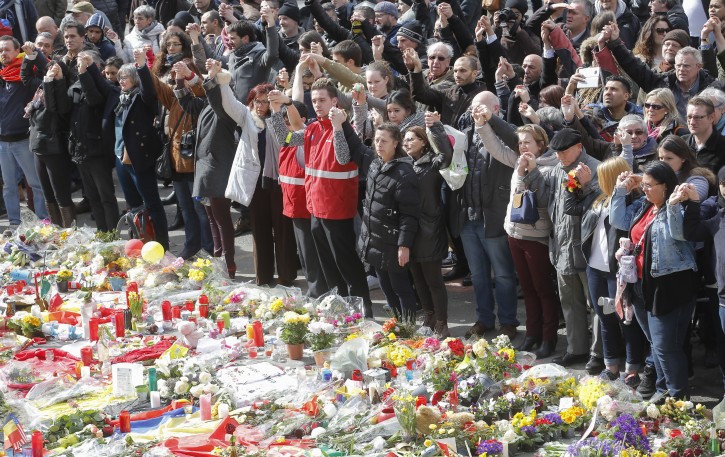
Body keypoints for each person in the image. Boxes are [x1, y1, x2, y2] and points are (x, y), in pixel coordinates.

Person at [268, 78, 373, 316]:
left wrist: (337, 127)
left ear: (334, 101)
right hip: (315, 209)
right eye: (314, 101)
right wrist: (277, 109)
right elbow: (284, 139)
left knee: (347, 265)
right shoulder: (313, 128)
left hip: (338, 210)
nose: (317, 105)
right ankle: (339, 310)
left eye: (322, 100)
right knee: (328, 267)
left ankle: (363, 311)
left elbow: (344, 157)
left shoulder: (345, 128)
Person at [476, 106, 561, 358]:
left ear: (541, 144)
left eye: (528, 142)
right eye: (520, 142)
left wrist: (530, 172)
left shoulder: (550, 166)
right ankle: (532, 334)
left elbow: (543, 201)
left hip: (536, 237)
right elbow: (495, 147)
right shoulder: (517, 162)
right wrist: (482, 125)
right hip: (514, 234)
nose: (523, 146)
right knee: (527, 287)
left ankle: (549, 338)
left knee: (543, 290)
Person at [610, 161, 697, 399]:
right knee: (655, 344)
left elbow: (678, 233)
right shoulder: (644, 206)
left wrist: (670, 204)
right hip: (639, 285)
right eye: (644, 185)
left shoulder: (678, 206)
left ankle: (678, 398)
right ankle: (662, 391)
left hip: (668, 286)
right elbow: (617, 220)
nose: (644, 189)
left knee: (666, 347)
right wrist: (620, 190)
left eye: (650, 185)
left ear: (666, 186)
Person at [522, 127, 601, 366]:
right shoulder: (556, 170)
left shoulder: (595, 168)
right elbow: (545, 201)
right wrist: (532, 174)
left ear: (579, 147)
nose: (560, 157)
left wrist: (585, 185)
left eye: (564, 152)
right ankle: (576, 348)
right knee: (569, 301)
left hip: (588, 249)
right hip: (562, 247)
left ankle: (599, 354)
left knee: (595, 304)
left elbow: (598, 207)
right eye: (556, 152)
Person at [569, 155, 647, 386]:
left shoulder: (635, 201)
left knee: (627, 320)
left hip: (618, 274)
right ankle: (611, 366)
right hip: (596, 269)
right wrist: (573, 183)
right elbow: (570, 205)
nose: (596, 179)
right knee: (605, 318)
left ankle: (632, 369)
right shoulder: (597, 198)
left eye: (601, 176)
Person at [344, 121, 420, 323]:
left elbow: (409, 215)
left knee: (401, 288)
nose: (379, 144)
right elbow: (355, 145)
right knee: (387, 289)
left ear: (396, 143)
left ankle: (409, 328)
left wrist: (404, 245)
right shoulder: (375, 164)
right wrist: (342, 123)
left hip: (393, 242)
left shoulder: (405, 173)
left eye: (384, 141)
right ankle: (397, 326)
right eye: (377, 140)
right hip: (374, 241)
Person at [175, 59, 237, 278]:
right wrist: (180, 80)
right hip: (205, 171)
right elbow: (188, 104)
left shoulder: (229, 108)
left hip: (218, 171)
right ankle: (218, 259)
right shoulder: (208, 106)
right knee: (212, 220)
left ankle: (228, 265)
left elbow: (214, 97)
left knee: (222, 220)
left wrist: (211, 76)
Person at [45, 52, 118, 232]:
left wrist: (86, 73)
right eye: (78, 64)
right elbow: (61, 109)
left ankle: (114, 236)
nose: (80, 67)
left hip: (97, 151)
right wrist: (60, 80)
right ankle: (103, 235)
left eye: (84, 64)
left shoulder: (105, 87)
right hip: (79, 151)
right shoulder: (75, 87)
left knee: (106, 196)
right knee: (93, 197)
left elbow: (94, 100)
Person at [114, 55, 170, 250]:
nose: (121, 81)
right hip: (121, 157)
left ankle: (162, 245)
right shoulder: (121, 97)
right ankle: (139, 242)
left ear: (135, 79)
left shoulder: (142, 97)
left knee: (152, 203)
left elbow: (148, 89)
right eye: (119, 77)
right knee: (134, 205)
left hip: (139, 158)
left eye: (125, 77)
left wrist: (141, 67)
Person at [403, 121, 452, 337]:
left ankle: (442, 322)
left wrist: (436, 129)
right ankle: (429, 316)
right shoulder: (403, 164)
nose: (406, 142)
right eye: (404, 139)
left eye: (411, 138)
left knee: (433, 280)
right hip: (410, 229)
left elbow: (447, 155)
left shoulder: (432, 163)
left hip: (430, 229)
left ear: (423, 142)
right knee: (417, 278)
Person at [21, 39, 74, 227]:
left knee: (61, 194)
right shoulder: (42, 87)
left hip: (54, 148)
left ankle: (69, 232)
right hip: (38, 146)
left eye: (55, 69)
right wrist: (30, 57)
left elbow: (53, 108)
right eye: (49, 69)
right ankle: (56, 230)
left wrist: (54, 81)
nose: (50, 72)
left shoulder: (63, 89)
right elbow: (26, 78)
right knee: (48, 195)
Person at [0, 35, 47, 227]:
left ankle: (43, 222)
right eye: (1, 50)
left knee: (36, 185)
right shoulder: (1, 75)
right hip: (3, 142)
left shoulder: (25, 73)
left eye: (7, 50)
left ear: (17, 51)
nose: (3, 54)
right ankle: (14, 223)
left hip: (22, 140)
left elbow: (45, 73)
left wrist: (33, 55)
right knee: (9, 187)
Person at [682, 96, 725, 174]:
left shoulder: (722, 147)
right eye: (689, 117)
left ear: (711, 117)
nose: (692, 122)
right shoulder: (681, 144)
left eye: (697, 117)